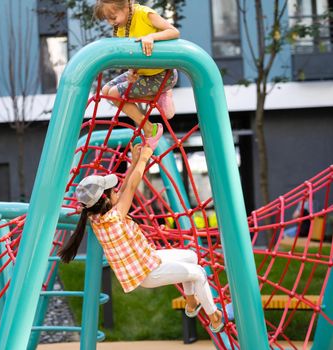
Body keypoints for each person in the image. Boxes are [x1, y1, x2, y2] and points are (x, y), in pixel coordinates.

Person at [59, 142, 225, 333]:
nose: (117, 191)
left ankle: (190, 302)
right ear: (104, 199)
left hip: (149, 259)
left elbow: (124, 188)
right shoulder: (114, 218)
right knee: (198, 272)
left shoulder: (95, 216)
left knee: (191, 256)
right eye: (112, 191)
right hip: (148, 273)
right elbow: (130, 187)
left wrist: (134, 160)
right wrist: (145, 157)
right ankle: (214, 317)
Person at [94, 0, 180, 149]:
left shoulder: (145, 15)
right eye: (107, 20)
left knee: (115, 93)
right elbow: (132, 56)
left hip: (162, 75)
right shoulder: (120, 28)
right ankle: (157, 96)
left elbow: (174, 32)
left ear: (127, 6)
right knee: (106, 91)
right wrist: (132, 72)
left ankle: (149, 128)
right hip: (143, 73)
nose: (110, 23)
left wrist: (152, 37)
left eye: (113, 18)